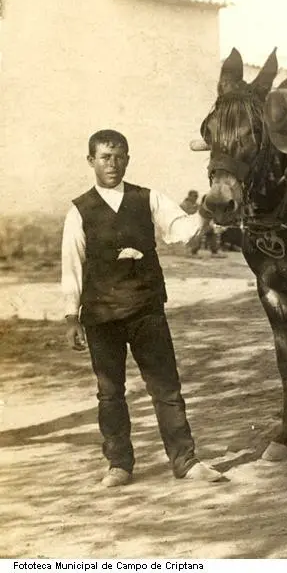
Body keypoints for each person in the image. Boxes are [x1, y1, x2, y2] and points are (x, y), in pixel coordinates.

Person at [61, 129, 224, 488]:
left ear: (128, 159)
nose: (113, 164)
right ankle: (119, 464)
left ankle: (185, 461)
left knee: (166, 388)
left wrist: (204, 212)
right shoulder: (79, 210)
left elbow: (180, 230)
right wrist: (72, 316)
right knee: (109, 393)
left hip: (146, 309)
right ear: (91, 161)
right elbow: (71, 264)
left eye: (119, 156)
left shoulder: (147, 198)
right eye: (105, 157)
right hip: (102, 315)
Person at [181, 190, 219, 256]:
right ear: (189, 196)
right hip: (186, 225)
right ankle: (193, 251)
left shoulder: (197, 205)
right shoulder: (184, 205)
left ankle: (214, 251)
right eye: (195, 196)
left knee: (210, 230)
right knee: (202, 230)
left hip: (196, 224)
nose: (196, 198)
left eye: (197, 196)